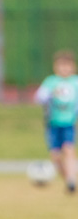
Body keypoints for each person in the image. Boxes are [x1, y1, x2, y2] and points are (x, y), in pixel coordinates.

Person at [34, 49, 78, 193]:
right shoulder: (51, 82)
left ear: (73, 67)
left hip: (69, 123)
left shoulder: (75, 82)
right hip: (52, 124)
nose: (64, 69)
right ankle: (68, 181)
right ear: (55, 67)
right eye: (61, 65)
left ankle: (71, 180)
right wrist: (47, 96)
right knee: (56, 157)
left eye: (67, 66)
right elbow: (39, 97)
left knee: (69, 149)